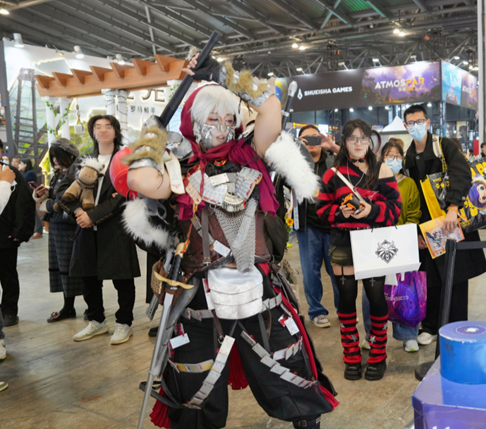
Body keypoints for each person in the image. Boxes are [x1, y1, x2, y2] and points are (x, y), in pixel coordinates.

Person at [123, 54, 337, 428]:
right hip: (198, 292)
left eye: (228, 119)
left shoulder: (251, 155)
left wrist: (225, 76)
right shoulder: (179, 168)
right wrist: (154, 136)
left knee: (286, 363)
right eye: (212, 118)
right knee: (194, 379)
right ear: (193, 121)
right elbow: (139, 180)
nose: (222, 127)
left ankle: (306, 420)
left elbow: (271, 110)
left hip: (259, 284)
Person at [317, 118, 401, 381]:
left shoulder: (382, 170)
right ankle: (351, 356)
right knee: (346, 300)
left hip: (373, 243)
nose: (358, 142)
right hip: (342, 243)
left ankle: (378, 355)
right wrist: (339, 212)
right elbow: (321, 210)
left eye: (362, 137)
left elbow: (395, 209)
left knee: (376, 299)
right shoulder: (332, 174)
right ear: (344, 141)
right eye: (352, 138)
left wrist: (372, 210)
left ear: (369, 140)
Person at [403, 104, 486, 346]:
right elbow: (411, 196)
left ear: (428, 122)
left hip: (451, 222)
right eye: (411, 123)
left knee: (456, 276)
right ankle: (431, 326)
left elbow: (462, 173)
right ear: (406, 126)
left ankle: (457, 326)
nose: (416, 126)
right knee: (430, 278)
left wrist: (453, 207)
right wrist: (415, 232)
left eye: (420, 121)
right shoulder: (408, 157)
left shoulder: (444, 146)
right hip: (427, 227)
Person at [61, 115, 141, 345]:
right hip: (85, 229)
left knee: (122, 279)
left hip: (116, 228)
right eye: (98, 127)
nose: (103, 130)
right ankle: (96, 320)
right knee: (88, 278)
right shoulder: (82, 160)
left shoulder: (126, 159)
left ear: (116, 131)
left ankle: (124, 323)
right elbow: (62, 191)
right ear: (92, 132)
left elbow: (125, 194)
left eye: (108, 126)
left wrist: (93, 216)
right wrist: (79, 212)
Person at [361, 139, 423, 352]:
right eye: (389, 156)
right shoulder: (370, 181)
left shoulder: (409, 184)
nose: (394, 160)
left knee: (405, 288)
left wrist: (404, 232)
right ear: (381, 158)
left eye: (397, 156)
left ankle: (408, 335)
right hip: (375, 241)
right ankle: (371, 334)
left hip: (402, 240)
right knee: (371, 291)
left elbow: (414, 212)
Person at [32, 139, 86, 322]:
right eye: (53, 156)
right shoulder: (59, 173)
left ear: (70, 156)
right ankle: (69, 307)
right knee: (64, 267)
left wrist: (49, 204)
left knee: (77, 267)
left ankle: (90, 307)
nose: (54, 160)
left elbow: (70, 199)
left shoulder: (79, 173)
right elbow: (58, 196)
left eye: (58, 156)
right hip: (57, 225)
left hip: (69, 225)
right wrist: (44, 194)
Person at [296, 124, 341, 328]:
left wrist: (333, 146)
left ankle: (344, 309)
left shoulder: (334, 160)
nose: (311, 143)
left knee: (338, 270)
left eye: (315, 138)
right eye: (306, 139)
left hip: (334, 224)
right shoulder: (295, 164)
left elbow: (355, 161)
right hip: (308, 226)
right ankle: (316, 311)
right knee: (310, 272)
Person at [0, 156, 35, 327]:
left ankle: (9, 311)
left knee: (8, 275)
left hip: (6, 233)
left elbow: (24, 202)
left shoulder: (11, 173)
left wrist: (20, 231)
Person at [0, 163, 19, 391]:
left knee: (8, 278)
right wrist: (4, 183)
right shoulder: (6, 176)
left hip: (5, 238)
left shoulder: (9, 172)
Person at [22, 159, 44, 239]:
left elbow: (24, 183)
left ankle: (39, 231)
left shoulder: (30, 173)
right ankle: (35, 230)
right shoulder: (26, 172)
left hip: (31, 196)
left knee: (34, 213)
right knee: (32, 213)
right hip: (29, 195)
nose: (19, 165)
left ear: (25, 164)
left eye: (20, 163)